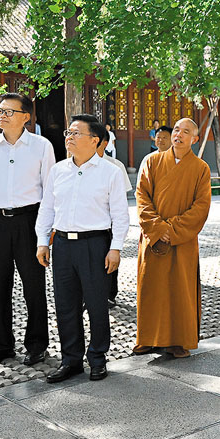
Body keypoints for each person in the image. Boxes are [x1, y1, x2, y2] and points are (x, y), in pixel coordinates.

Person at [35, 115, 130, 383]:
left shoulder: (110, 172)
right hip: (63, 244)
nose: (69, 137)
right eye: (68, 132)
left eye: (76, 133)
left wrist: (116, 249)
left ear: (94, 140)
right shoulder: (58, 170)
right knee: (66, 305)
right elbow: (47, 209)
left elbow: (121, 216)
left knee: (98, 305)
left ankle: (98, 358)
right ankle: (71, 360)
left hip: (95, 244)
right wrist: (43, 241)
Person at [0, 92, 56, 368]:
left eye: (9, 111)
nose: (2, 115)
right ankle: (3, 345)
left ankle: (37, 345)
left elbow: (50, 191)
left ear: (26, 117)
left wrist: (45, 232)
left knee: (33, 286)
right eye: (0, 111)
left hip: (29, 221)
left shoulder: (42, 146)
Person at [133, 118, 211, 358]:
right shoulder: (152, 162)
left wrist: (172, 230)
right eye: (176, 130)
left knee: (180, 289)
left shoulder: (201, 169)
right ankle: (147, 338)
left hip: (182, 241)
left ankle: (178, 340)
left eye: (186, 132)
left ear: (194, 139)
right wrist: (157, 228)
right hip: (153, 237)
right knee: (151, 288)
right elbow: (142, 197)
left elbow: (201, 207)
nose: (179, 134)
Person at [92, 115, 133, 307]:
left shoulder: (116, 167)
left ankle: (110, 295)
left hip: (108, 225)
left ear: (104, 142)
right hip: (87, 226)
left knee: (109, 262)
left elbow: (121, 201)